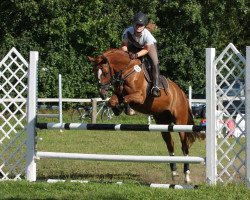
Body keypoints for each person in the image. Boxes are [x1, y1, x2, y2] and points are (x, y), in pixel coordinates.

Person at [120, 11, 161, 97]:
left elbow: (146, 50)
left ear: (144, 26)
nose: (138, 27)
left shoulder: (147, 35)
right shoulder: (127, 32)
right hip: (135, 45)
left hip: (148, 47)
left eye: (141, 25)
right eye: (137, 24)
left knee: (154, 61)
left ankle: (156, 86)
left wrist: (136, 55)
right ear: (133, 24)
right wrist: (128, 53)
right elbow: (123, 45)